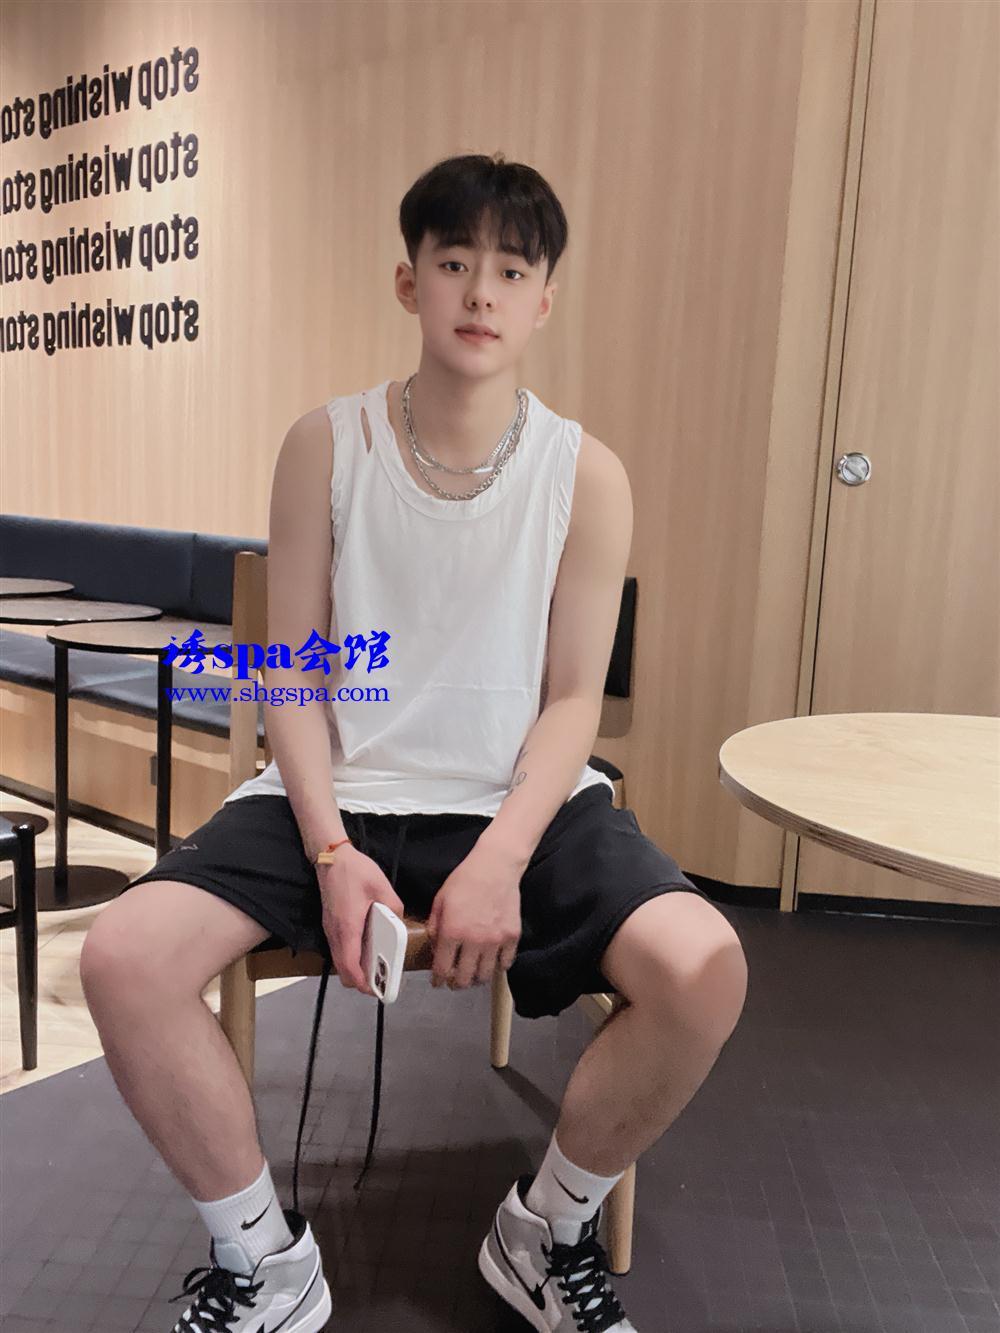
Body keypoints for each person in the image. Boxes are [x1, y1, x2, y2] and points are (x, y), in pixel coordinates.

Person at [80, 152, 748, 1333]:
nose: (480, 292)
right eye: (454, 263)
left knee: (706, 969)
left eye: (511, 271)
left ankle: (544, 1231)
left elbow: (573, 699)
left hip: (519, 798)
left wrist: (501, 855)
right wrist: (332, 852)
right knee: (122, 957)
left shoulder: (586, 476)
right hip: (334, 791)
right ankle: (263, 1261)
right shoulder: (324, 445)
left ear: (543, 300)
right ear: (409, 282)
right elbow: (292, 675)